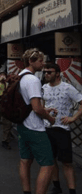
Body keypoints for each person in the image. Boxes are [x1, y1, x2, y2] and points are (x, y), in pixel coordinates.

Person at [18, 48, 56, 194]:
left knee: (25, 161)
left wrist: (44, 109)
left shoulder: (21, 76)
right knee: (48, 165)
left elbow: (28, 104)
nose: (43, 63)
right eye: (40, 60)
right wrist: (50, 118)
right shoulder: (33, 80)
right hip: (34, 128)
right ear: (31, 61)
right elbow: (36, 108)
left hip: (22, 125)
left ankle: (26, 191)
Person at [41, 63, 82, 194]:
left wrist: (73, 118)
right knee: (51, 161)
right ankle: (56, 186)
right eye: (45, 72)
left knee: (67, 163)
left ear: (57, 73)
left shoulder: (67, 88)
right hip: (47, 128)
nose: (46, 74)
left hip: (62, 130)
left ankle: (72, 191)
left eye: (49, 72)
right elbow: (41, 106)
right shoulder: (43, 88)